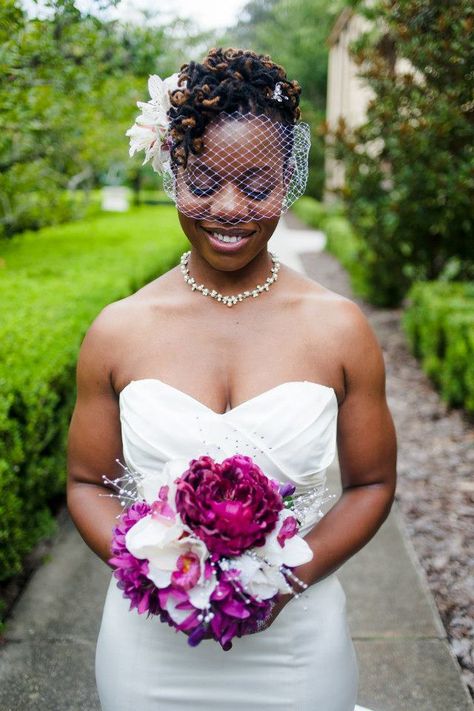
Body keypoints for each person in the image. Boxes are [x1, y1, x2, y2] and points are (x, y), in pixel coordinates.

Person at [66, 47, 397, 711]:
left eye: (255, 185)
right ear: (172, 168)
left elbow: (372, 483)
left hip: (298, 647)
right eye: (205, 179)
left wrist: (289, 578)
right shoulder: (119, 329)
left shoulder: (338, 328)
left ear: (289, 177)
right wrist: (155, 573)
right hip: (148, 647)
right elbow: (85, 483)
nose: (228, 208)